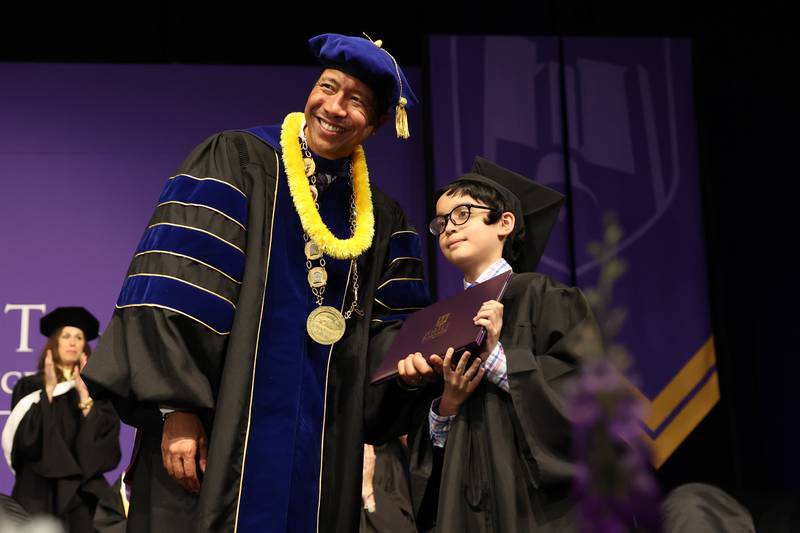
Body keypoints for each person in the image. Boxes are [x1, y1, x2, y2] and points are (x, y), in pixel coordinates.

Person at [82, 33, 430, 533]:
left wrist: (407, 370)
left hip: (319, 455)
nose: (333, 107)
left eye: (355, 101)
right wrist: (178, 407)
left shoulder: (380, 218)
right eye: (327, 87)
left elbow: (386, 332)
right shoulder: (236, 160)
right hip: (214, 434)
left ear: (374, 125)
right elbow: (176, 286)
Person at [396, 157, 602, 531]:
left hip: (533, 501)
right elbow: (436, 451)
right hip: (466, 501)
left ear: (504, 223)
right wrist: (446, 405)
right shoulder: (440, 324)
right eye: (440, 223)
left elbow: (586, 394)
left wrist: (495, 358)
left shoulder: (543, 296)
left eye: (462, 214)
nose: (447, 229)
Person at [2, 307, 122, 532]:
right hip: (37, 492)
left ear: (85, 346)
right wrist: (47, 395)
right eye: (66, 336)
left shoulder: (99, 393)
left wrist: (86, 399)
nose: (73, 342)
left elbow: (106, 451)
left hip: (82, 497)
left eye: (79, 337)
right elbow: (26, 443)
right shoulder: (29, 387)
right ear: (54, 343)